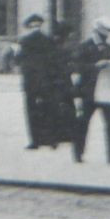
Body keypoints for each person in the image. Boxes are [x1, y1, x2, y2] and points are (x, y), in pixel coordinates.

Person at [72, 19, 110, 164]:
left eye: (109, 32)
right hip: (88, 91)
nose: (107, 35)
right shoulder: (84, 47)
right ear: (97, 31)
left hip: (105, 90)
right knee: (83, 123)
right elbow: (77, 67)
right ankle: (78, 153)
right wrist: (95, 66)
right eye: (105, 32)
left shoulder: (108, 48)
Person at [15, 14, 69, 150]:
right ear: (40, 26)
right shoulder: (48, 40)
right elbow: (54, 61)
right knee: (49, 110)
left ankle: (35, 141)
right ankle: (51, 140)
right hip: (47, 82)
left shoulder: (24, 41)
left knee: (32, 110)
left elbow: (18, 61)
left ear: (29, 26)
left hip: (30, 82)